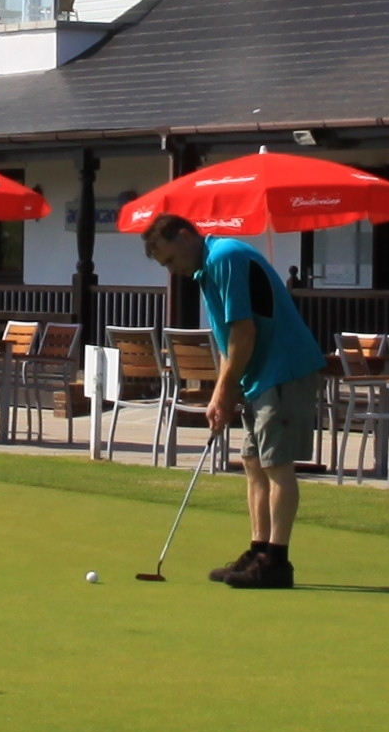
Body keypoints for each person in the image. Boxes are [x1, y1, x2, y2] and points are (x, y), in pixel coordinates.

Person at [139, 208, 327, 587]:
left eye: (171, 258)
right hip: (260, 375)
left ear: (186, 237)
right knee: (254, 464)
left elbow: (245, 331)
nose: (171, 269)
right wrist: (223, 392)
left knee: (276, 465)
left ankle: (277, 561)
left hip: (284, 369)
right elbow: (229, 339)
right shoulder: (206, 269)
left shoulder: (225, 258)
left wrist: (225, 389)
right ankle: (259, 550)